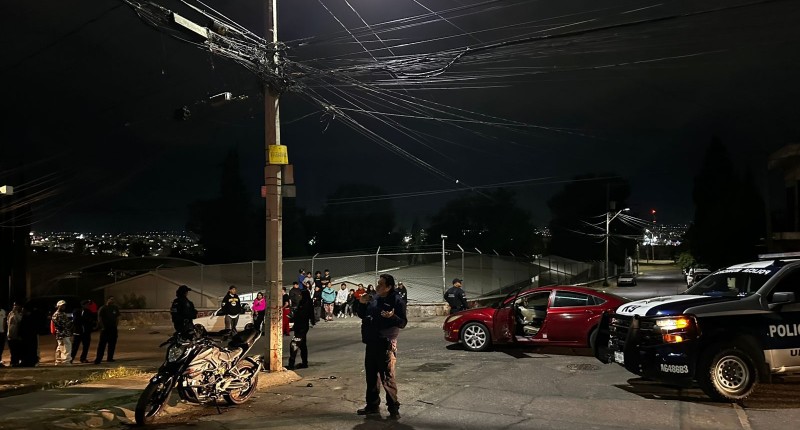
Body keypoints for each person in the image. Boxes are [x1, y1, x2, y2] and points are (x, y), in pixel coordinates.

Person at [355, 273, 407, 419]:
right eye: (378, 283)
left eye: (380, 284)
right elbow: (363, 315)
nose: (377, 286)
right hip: (371, 341)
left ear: (388, 287)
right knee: (371, 376)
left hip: (386, 343)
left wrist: (392, 317)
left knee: (387, 377)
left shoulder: (397, 300)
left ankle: (393, 408)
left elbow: (403, 323)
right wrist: (361, 303)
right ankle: (372, 406)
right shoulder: (374, 299)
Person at [287, 289, 315, 370]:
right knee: (302, 345)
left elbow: (307, 315)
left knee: (294, 344)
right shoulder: (303, 302)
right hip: (300, 326)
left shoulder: (307, 304)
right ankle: (304, 363)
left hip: (302, 327)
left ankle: (291, 364)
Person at [94, 296, 120, 364]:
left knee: (112, 344)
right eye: (111, 299)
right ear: (107, 300)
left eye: (113, 299)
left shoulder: (115, 308)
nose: (112, 301)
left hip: (113, 329)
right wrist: (102, 327)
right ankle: (98, 359)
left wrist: (116, 326)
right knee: (102, 345)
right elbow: (99, 318)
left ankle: (110, 358)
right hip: (105, 329)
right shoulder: (103, 308)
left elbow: (117, 317)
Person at [71, 300, 96, 364]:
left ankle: (83, 358)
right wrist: (85, 320)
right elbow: (76, 320)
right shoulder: (77, 311)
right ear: (83, 305)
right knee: (75, 346)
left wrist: (91, 326)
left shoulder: (88, 312)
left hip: (86, 332)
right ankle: (71, 358)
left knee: (86, 346)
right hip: (78, 332)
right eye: (87, 304)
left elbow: (91, 320)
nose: (88, 306)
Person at [52, 300, 74, 365]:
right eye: (62, 306)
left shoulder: (62, 313)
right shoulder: (56, 314)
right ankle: (66, 361)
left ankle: (58, 361)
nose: (63, 307)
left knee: (60, 347)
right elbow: (61, 325)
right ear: (58, 306)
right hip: (62, 334)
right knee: (66, 347)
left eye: (64, 305)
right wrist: (71, 322)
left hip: (63, 333)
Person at [6, 302, 23, 367]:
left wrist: (16, 313)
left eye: (16, 305)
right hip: (10, 334)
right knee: (12, 350)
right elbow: (8, 322)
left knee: (17, 350)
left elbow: (19, 320)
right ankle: (13, 362)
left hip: (17, 335)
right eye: (14, 305)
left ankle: (16, 362)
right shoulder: (10, 313)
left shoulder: (20, 314)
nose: (15, 307)